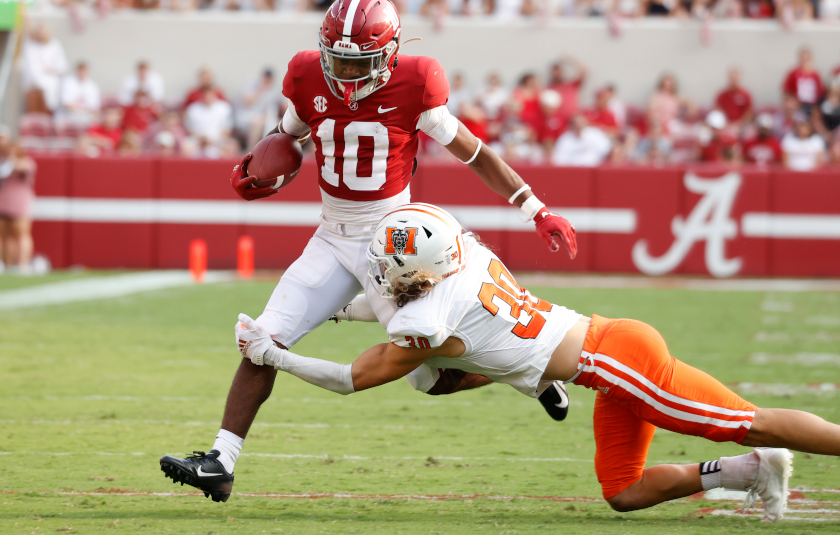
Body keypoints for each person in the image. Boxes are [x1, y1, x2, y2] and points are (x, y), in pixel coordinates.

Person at [160, 0, 578, 503]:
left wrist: (535, 208)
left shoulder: (415, 82)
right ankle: (220, 461)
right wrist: (264, 162)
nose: (344, 74)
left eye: (357, 64)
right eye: (336, 59)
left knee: (429, 379)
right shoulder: (308, 73)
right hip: (331, 236)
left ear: (390, 53)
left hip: (394, 246)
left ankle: (524, 377)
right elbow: (287, 134)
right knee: (262, 337)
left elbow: (475, 154)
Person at [235, 202, 840, 523]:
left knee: (744, 418)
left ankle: (792, 445)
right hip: (600, 359)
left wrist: (274, 354)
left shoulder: (428, 320)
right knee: (623, 493)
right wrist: (340, 314)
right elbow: (395, 311)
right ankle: (753, 472)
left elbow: (349, 380)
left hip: (620, 360)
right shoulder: (461, 260)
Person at [0, 139, 36, 275]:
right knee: (1, 235)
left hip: (19, 204)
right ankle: (2, 263)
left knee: (21, 234)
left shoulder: (26, 163)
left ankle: (23, 264)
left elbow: (23, 168)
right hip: (1, 204)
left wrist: (11, 161)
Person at [21, 24, 68, 114]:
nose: (41, 35)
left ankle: (52, 111)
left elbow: (62, 65)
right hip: (36, 80)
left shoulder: (55, 45)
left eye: (42, 33)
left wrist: (52, 69)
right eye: (39, 33)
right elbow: (31, 67)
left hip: (52, 77)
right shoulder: (32, 47)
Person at [58, 61, 102, 125]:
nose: (82, 73)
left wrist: (88, 113)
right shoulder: (68, 83)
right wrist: (80, 111)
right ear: (76, 71)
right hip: (68, 115)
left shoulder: (93, 86)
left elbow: (95, 107)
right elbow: (66, 104)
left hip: (86, 116)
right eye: (80, 71)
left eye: (84, 71)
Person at [781, 47, 823, 112]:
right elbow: (786, 90)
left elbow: (820, 91)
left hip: (812, 105)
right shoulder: (793, 73)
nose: (804, 60)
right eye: (803, 57)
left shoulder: (815, 74)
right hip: (798, 105)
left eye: (806, 58)